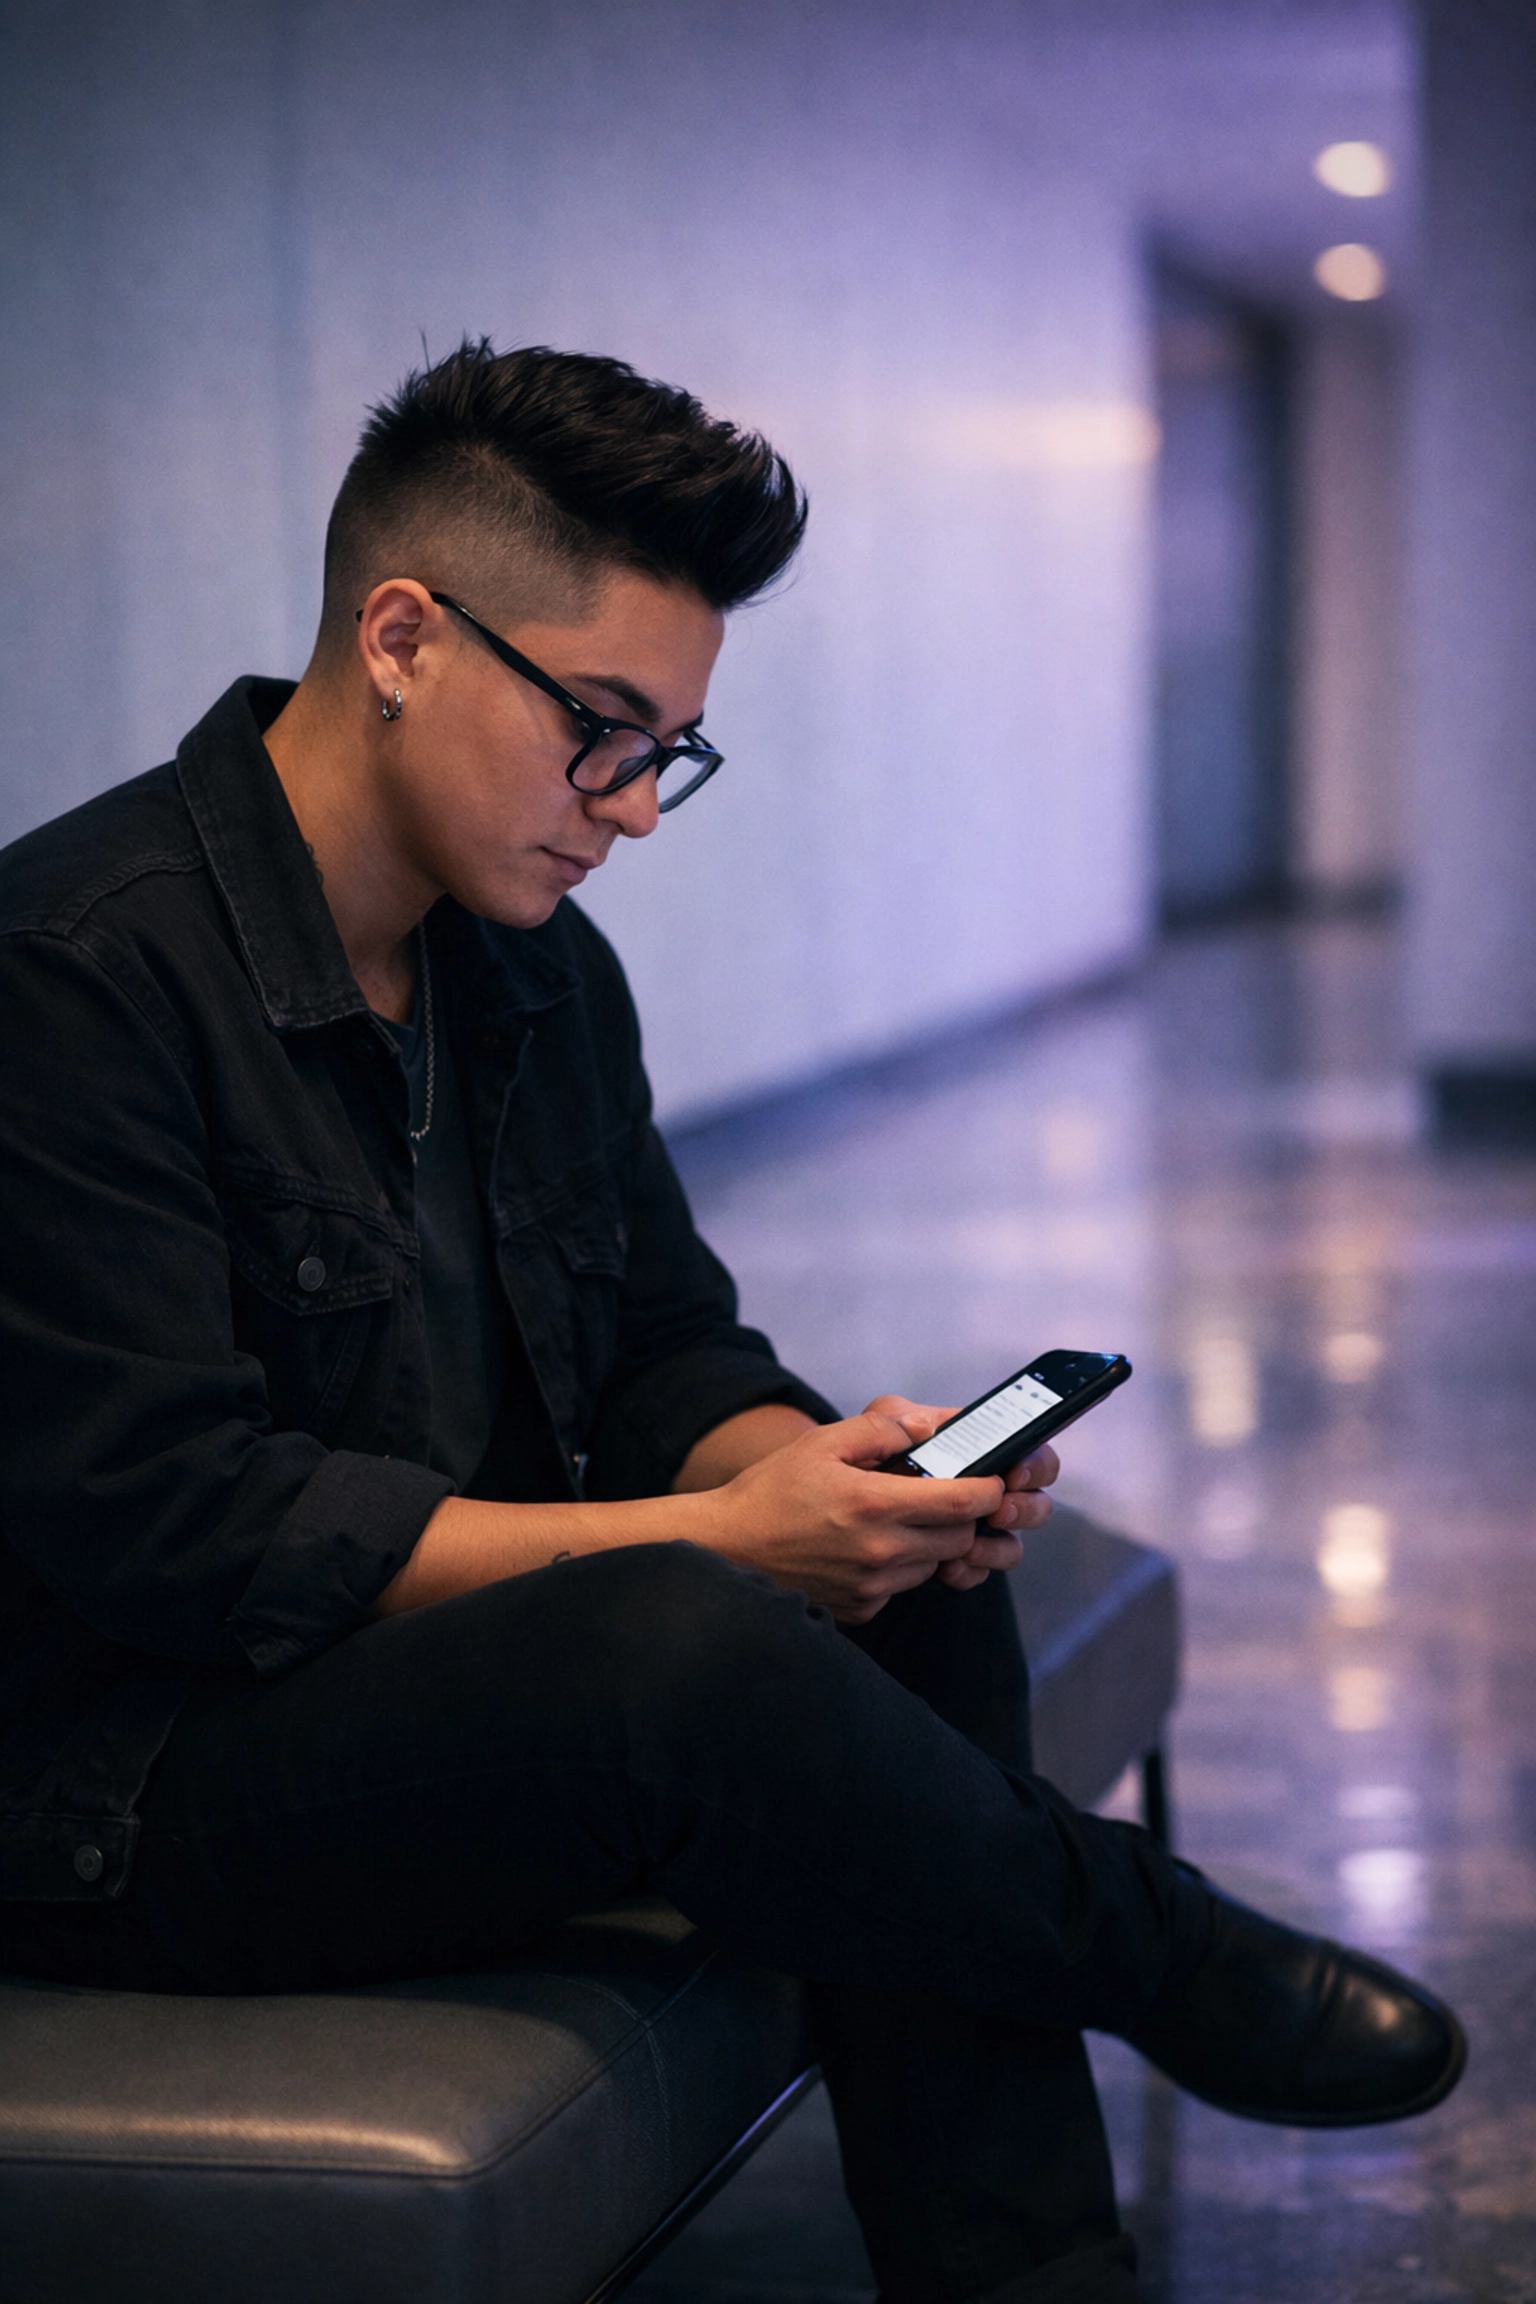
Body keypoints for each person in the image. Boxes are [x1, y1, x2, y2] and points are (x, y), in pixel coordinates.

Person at [0, 340, 1464, 2303]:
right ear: (405, 637)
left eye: (666, 746)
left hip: (434, 1704)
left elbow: (663, 1346)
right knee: (693, 1627)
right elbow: (185, 1532)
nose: (635, 806)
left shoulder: (533, 972)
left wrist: (814, 1476)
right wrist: (715, 1537)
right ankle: (1152, 1947)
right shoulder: (76, 976)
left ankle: (1027, 2280)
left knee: (902, 1581)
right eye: (601, 728)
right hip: (136, 1795)